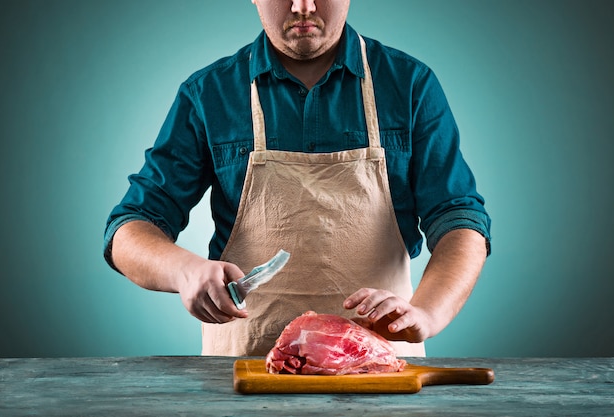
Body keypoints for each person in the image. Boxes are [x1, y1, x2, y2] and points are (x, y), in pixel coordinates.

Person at [104, 0, 491, 357]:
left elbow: (458, 217)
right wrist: (183, 270)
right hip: (243, 371)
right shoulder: (208, 94)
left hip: (378, 366)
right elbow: (130, 227)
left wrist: (427, 312)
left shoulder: (410, 85)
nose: (303, 6)